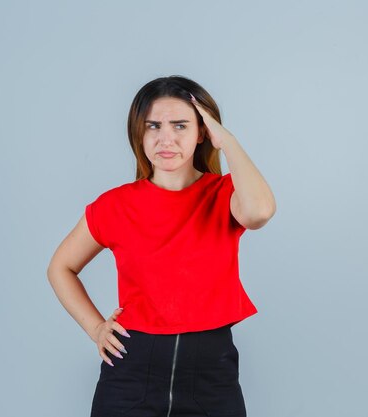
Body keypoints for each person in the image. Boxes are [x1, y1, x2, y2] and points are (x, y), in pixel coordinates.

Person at [47, 75, 276, 417]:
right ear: (139, 133)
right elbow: (60, 268)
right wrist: (96, 328)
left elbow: (259, 211)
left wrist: (227, 141)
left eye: (180, 125)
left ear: (202, 133)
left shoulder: (225, 195)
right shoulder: (114, 205)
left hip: (211, 373)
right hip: (131, 372)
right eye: (153, 126)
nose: (165, 138)